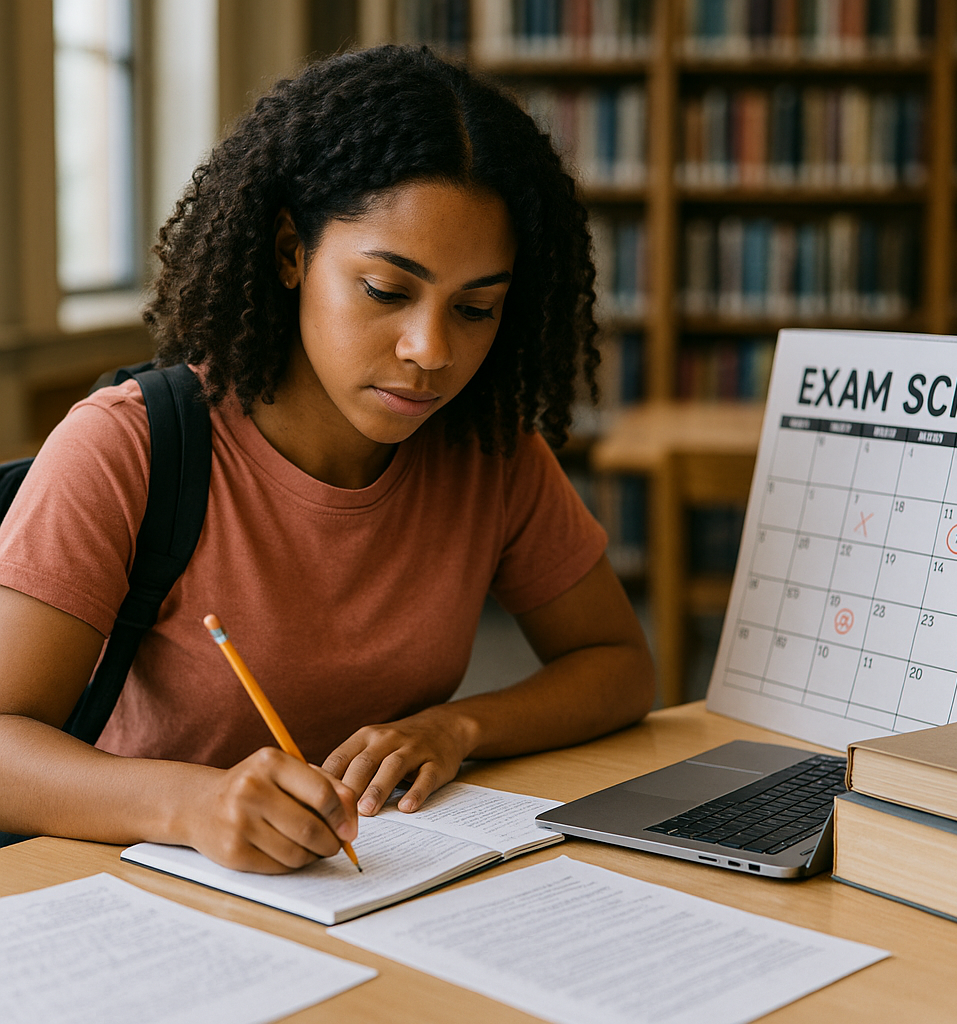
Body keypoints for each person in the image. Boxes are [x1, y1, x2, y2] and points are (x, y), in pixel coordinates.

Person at [0, 45, 655, 873]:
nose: (431, 351)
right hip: (148, 895)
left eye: (477, 308)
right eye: (386, 291)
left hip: (372, 891)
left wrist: (457, 727)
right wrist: (193, 803)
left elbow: (619, 667)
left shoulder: (490, 453)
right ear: (289, 253)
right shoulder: (126, 447)